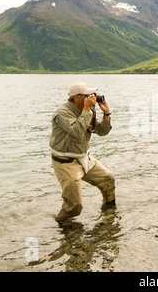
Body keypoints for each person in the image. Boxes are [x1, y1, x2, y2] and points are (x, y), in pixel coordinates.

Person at [50, 82, 115, 223]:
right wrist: (86, 109)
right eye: (87, 95)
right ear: (76, 97)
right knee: (74, 206)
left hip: (83, 157)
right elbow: (77, 133)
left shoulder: (87, 112)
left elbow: (102, 131)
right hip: (65, 161)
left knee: (108, 179)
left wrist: (106, 113)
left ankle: (109, 212)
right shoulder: (62, 113)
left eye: (92, 95)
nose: (92, 97)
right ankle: (60, 225)